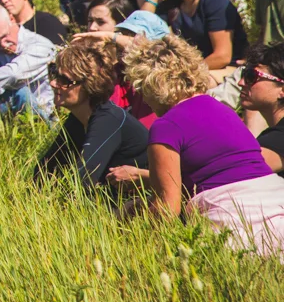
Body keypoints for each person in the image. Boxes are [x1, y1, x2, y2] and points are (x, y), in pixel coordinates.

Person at [117, 36, 284, 257]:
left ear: (150, 84)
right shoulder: (223, 110)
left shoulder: (166, 126)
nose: (144, 99)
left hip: (235, 225)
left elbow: (167, 208)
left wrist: (128, 236)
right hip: (277, 208)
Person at [35, 39, 150, 191]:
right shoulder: (78, 118)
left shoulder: (108, 120)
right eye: (54, 73)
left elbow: (83, 179)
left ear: (89, 85)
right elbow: (44, 172)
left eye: (64, 80)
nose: (53, 83)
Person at [241, 43, 284, 174]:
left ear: (282, 89)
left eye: (251, 76)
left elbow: (240, 172)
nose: (241, 82)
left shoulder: (279, 139)